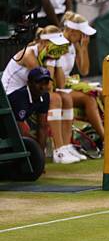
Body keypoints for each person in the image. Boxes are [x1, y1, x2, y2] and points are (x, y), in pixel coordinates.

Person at [2, 27, 80, 164]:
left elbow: (60, 85)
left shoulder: (48, 53)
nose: (57, 47)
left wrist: (55, 61)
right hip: (9, 97)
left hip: (27, 94)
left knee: (65, 97)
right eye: (54, 44)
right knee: (54, 99)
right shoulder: (29, 55)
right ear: (44, 43)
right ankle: (58, 151)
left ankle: (66, 146)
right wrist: (50, 61)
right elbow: (47, 85)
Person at [58, 12, 105, 144]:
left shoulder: (73, 44)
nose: (84, 37)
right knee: (89, 98)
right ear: (72, 31)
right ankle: (107, 139)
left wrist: (83, 48)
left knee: (104, 93)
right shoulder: (58, 45)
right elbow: (59, 81)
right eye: (82, 33)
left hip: (65, 85)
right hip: (56, 87)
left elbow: (84, 71)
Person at [8, 67, 51, 155]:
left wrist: (41, 156)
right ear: (29, 83)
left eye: (46, 83)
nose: (42, 87)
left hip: (11, 126)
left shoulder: (45, 96)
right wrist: (36, 150)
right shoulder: (19, 97)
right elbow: (18, 130)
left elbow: (42, 126)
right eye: (38, 82)